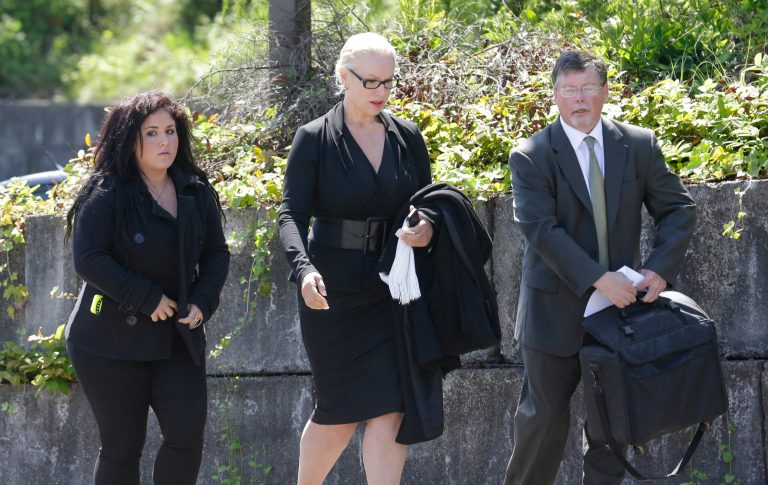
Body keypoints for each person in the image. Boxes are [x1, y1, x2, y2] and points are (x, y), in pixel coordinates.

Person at [503, 50, 697, 484]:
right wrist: (597, 278)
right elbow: (541, 229)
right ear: (555, 95)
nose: (579, 99)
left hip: (621, 311)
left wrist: (659, 269)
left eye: (588, 88)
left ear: (605, 92)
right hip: (552, 312)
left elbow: (678, 209)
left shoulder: (638, 144)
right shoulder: (532, 154)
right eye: (569, 90)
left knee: (614, 428)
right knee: (541, 424)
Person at [278, 32, 434, 485]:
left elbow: (428, 204)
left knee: (392, 407)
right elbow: (290, 215)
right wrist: (304, 270)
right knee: (338, 412)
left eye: (389, 81)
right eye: (370, 82)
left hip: (392, 287)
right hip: (333, 290)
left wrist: (427, 228)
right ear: (343, 77)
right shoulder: (314, 138)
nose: (381, 92)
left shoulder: (408, 137)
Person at [64, 91, 230, 485]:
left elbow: (216, 253)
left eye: (170, 131)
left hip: (178, 337)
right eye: (151, 133)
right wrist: (146, 297)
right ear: (128, 139)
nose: (164, 141)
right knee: (122, 448)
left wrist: (203, 301)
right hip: (108, 343)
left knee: (186, 436)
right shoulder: (106, 192)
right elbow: (88, 259)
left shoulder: (194, 189)